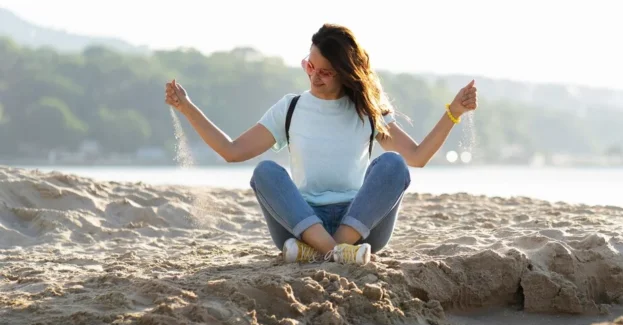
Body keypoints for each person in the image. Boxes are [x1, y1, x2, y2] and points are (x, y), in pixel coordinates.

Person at [164, 23, 478, 266]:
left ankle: (320, 252)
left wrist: (454, 112)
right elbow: (231, 151)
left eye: (326, 72)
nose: (315, 77)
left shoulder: (368, 110)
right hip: (302, 222)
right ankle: (336, 252)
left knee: (393, 164)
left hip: (359, 225)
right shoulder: (290, 107)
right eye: (311, 66)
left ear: (346, 73)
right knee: (265, 172)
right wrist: (187, 107)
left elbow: (417, 157)